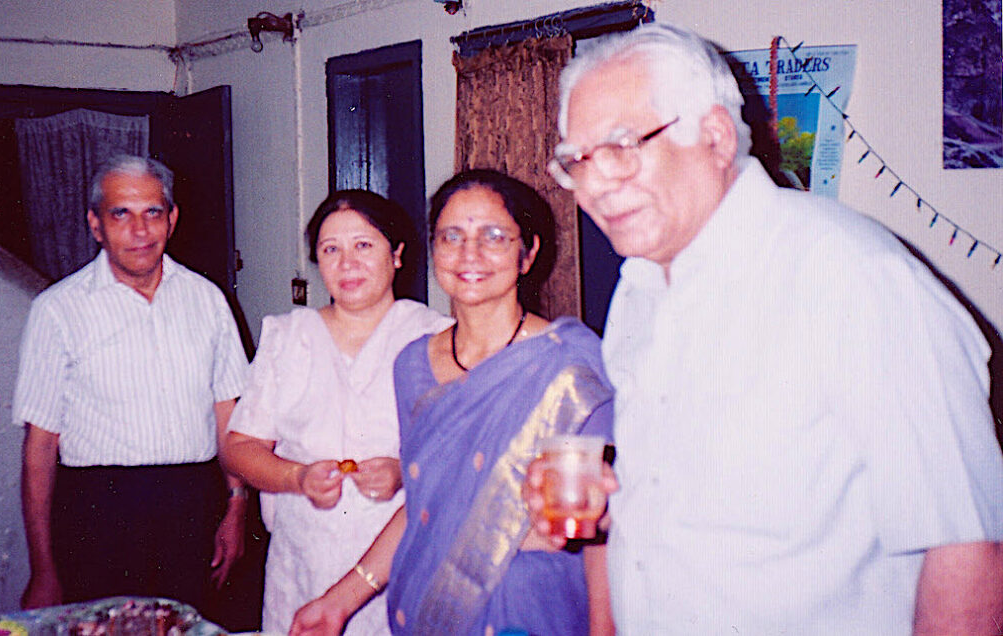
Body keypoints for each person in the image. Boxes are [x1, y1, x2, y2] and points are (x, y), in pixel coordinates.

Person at [524, 22, 1003, 635]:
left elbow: (969, 547)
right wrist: (610, 504)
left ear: (717, 137)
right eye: (578, 160)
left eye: (622, 145)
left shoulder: (852, 277)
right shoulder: (637, 293)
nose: (595, 183)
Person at [289, 170, 615, 636]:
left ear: (529, 254)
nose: (470, 254)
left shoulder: (573, 364)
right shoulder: (414, 365)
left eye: (495, 236)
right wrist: (340, 600)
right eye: (452, 236)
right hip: (422, 606)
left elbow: (606, 527)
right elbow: (429, 501)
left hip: (530, 611)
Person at [13, 155, 250, 611]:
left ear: (172, 219)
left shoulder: (208, 301)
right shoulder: (57, 310)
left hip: (192, 507)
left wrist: (237, 507)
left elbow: (229, 415)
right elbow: (40, 446)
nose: (139, 232)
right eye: (121, 214)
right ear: (95, 224)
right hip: (97, 513)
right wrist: (43, 569)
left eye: (152, 213)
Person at [219, 190, 453, 634]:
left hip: (402, 567)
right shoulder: (288, 336)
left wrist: (404, 472)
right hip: (302, 570)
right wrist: (296, 478)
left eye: (363, 245)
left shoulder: (435, 337)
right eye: (331, 250)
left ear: (397, 254)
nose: (347, 264)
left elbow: (459, 459)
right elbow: (240, 448)